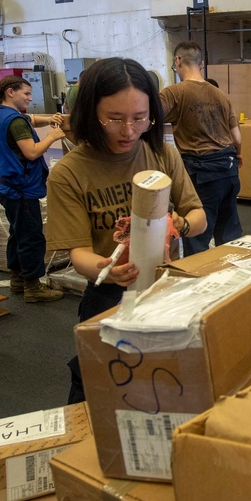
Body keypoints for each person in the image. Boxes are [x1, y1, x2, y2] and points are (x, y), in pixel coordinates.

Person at [47, 57, 207, 403]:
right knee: (101, 389)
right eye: (114, 119)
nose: (128, 131)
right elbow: (79, 255)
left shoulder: (162, 154)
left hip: (167, 290)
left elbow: (199, 217)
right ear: (91, 113)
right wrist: (106, 268)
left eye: (140, 118)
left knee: (168, 386)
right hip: (110, 298)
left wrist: (177, 223)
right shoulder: (70, 173)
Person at [0, 74, 66, 302]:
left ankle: (17, 279)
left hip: (6, 185)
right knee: (31, 237)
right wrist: (52, 136)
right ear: (10, 92)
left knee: (17, 234)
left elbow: (28, 120)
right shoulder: (15, 120)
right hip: (20, 188)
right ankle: (33, 287)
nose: (30, 98)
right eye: (26, 94)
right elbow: (31, 152)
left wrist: (48, 119)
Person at [159, 41, 241, 254]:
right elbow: (237, 137)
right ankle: (235, 284)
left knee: (197, 236)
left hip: (203, 174)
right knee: (229, 236)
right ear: (202, 64)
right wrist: (238, 156)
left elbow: (143, 119)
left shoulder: (174, 93)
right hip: (229, 170)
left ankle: (202, 283)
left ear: (177, 61)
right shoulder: (221, 95)